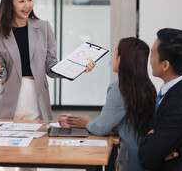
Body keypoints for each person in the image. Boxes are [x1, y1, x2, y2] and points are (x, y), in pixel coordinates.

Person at [0, 0, 95, 121]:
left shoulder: (44, 27)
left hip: (37, 99)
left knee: (39, 141)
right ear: (10, 3)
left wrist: (78, 67)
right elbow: (1, 78)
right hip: (7, 103)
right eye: (21, 1)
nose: (27, 5)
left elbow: (50, 67)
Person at [59, 37, 157, 171]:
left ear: (122, 59)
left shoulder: (119, 87)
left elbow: (101, 128)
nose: (112, 57)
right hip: (146, 156)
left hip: (130, 160)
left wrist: (86, 122)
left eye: (115, 52)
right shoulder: (148, 86)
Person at [138, 28, 182, 171]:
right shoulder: (178, 89)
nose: (149, 60)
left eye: (152, 54)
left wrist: (152, 139)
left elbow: (146, 157)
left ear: (165, 65)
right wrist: (156, 140)